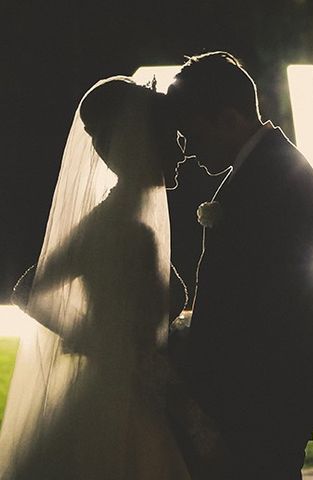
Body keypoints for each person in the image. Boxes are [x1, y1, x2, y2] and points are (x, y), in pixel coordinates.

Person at [0, 77, 191, 480]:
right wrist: (97, 336)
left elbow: (27, 290)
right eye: (172, 138)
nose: (181, 150)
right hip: (120, 397)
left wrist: (94, 336)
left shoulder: (118, 217)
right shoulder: (123, 226)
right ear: (143, 146)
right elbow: (28, 290)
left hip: (121, 387)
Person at [166, 51, 313, 480]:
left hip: (260, 398)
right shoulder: (265, 168)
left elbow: (259, 304)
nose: (188, 151)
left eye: (193, 133)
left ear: (228, 119)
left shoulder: (271, 179)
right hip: (263, 394)